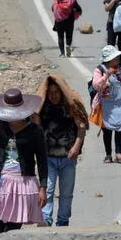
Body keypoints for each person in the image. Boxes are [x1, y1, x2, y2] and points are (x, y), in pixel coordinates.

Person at [0, 89, 47, 240]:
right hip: (0, 182)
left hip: (22, 184)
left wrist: (42, 188)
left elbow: (42, 160)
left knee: (10, 232)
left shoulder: (34, 131)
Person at [34, 75, 87, 227]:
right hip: (48, 158)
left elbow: (82, 128)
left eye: (57, 91)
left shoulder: (71, 108)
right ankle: (45, 219)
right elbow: (36, 122)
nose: (53, 95)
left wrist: (76, 147)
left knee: (66, 193)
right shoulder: (43, 108)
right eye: (50, 92)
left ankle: (63, 221)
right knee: (48, 190)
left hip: (68, 158)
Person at [92, 45, 121, 164]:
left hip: (120, 103)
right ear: (109, 59)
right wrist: (106, 75)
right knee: (107, 129)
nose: (118, 59)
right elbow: (96, 85)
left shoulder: (120, 68)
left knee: (119, 127)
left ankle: (118, 153)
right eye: (116, 57)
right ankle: (108, 154)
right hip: (105, 105)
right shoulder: (99, 70)